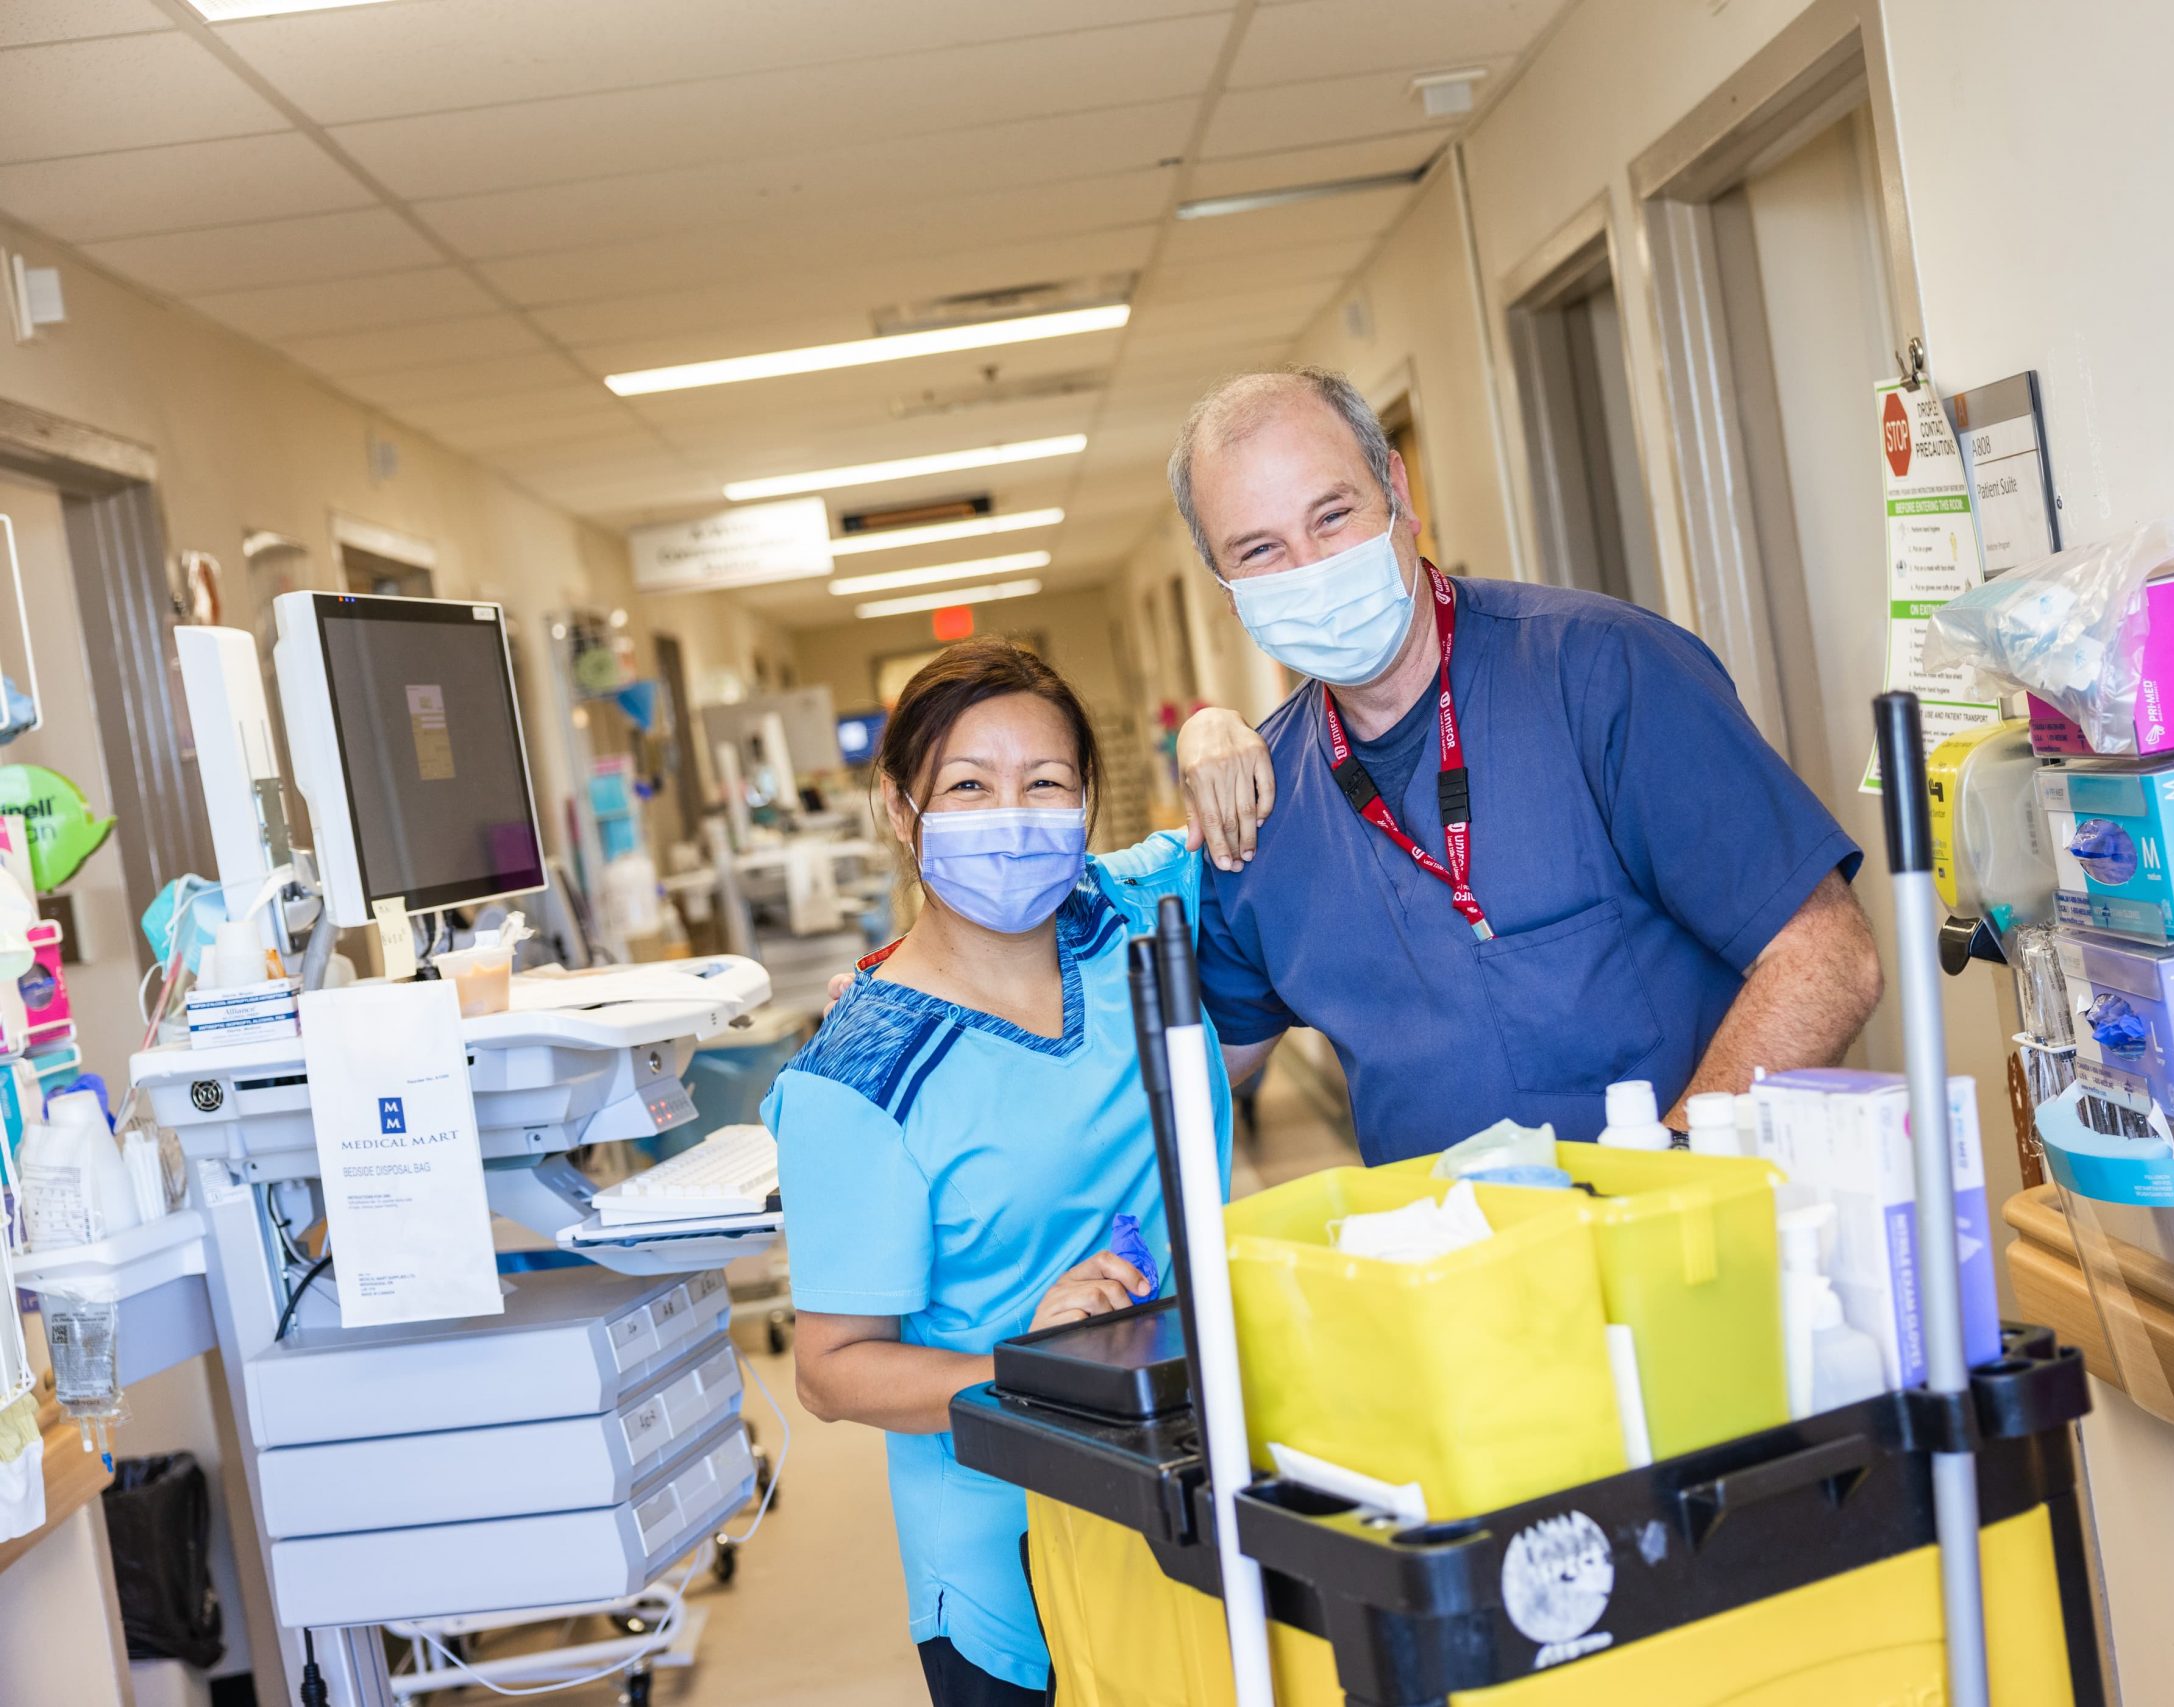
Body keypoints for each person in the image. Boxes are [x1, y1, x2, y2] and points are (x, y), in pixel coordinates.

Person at [1167, 366, 1885, 1163]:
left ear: (1396, 492)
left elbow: (1828, 959)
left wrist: (1666, 1184)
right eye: (1261, 549)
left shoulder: (1602, 673)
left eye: (1332, 515)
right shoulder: (1260, 807)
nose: (1309, 567)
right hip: (1452, 1272)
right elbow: (1184, 1082)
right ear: (1230, 592)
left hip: (1691, 1252)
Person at [763, 639, 1257, 1706]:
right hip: (1011, 1549)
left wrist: (1212, 727)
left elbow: (1251, 809)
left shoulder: (1115, 914)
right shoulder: (859, 1082)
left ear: (1084, 806)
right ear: (902, 810)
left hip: (1203, 1476)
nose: (1010, 814)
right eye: (968, 787)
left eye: (1044, 784)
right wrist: (1030, 1367)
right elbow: (833, 1369)